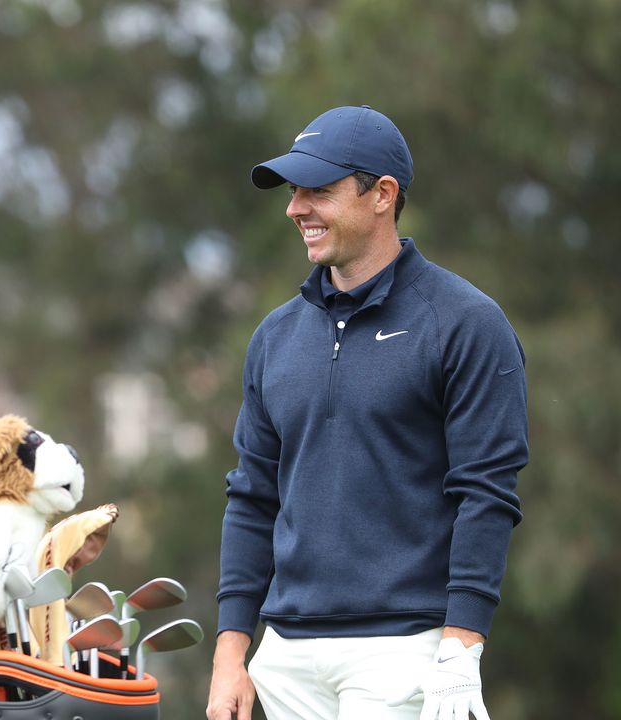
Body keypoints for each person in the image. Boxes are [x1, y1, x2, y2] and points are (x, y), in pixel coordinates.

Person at [205, 105, 528, 720]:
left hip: (403, 653)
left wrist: (461, 647)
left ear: (382, 195)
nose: (295, 208)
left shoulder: (465, 323)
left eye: (317, 191)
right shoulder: (274, 337)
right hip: (286, 660)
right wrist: (230, 657)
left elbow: (486, 492)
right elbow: (252, 498)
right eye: (293, 192)